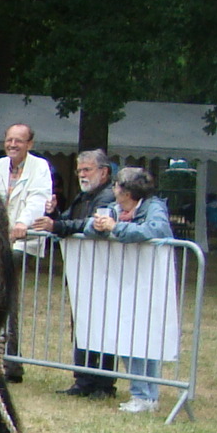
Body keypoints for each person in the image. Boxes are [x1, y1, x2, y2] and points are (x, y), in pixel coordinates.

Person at [32, 147, 119, 397]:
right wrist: (54, 214)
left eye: (87, 170)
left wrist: (57, 224)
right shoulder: (83, 197)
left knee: (102, 327)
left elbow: (87, 225)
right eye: (79, 170)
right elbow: (69, 221)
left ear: (103, 172)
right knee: (81, 325)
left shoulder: (107, 196)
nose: (81, 175)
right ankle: (83, 379)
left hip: (102, 271)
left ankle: (103, 383)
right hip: (83, 271)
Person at [90, 168, 175, 413]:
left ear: (127, 191)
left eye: (116, 186)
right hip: (125, 282)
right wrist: (98, 226)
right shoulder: (114, 207)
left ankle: (146, 395)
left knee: (143, 337)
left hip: (148, 282)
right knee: (128, 336)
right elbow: (91, 226)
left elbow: (156, 230)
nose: (113, 190)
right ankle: (143, 394)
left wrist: (116, 229)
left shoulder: (153, 206)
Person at [0, 123, 53, 381]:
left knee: (5, 297)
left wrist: (22, 223)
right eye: (9, 140)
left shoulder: (40, 168)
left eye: (19, 141)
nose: (13, 145)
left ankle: (10, 362)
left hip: (22, 242)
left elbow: (38, 198)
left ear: (30, 144)